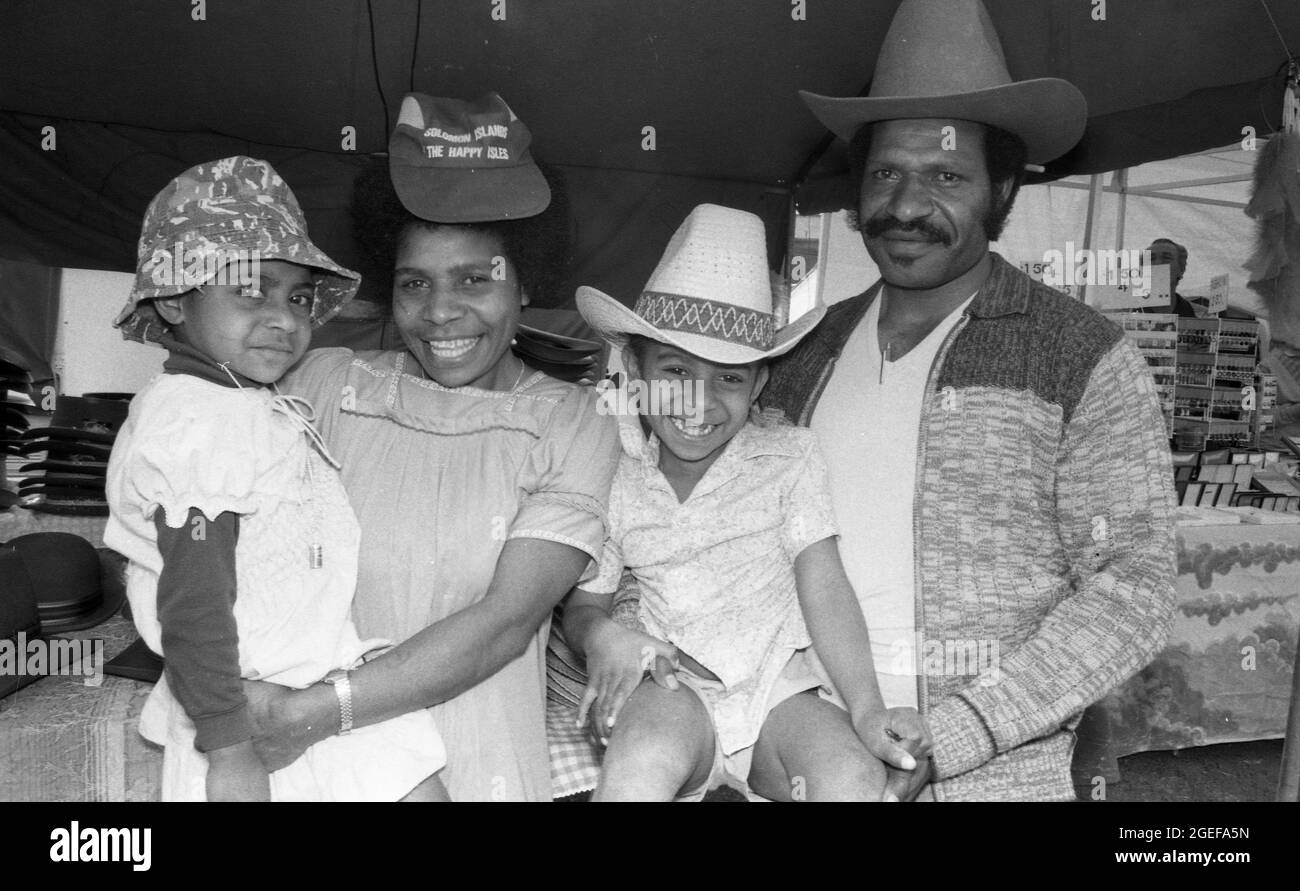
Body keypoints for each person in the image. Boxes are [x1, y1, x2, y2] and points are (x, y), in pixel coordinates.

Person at [763, 0, 1178, 801]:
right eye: (887, 172)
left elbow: (1134, 590)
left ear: (1004, 190)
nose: (908, 205)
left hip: (994, 776)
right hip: (802, 757)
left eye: (947, 176)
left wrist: (955, 736)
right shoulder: (801, 355)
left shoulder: (1077, 354)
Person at [245, 94, 620, 801]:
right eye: (414, 283)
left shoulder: (571, 422)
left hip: (474, 760)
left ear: (527, 280)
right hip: (312, 766)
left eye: (475, 279)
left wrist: (314, 711)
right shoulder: (325, 384)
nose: (440, 312)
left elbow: (505, 624)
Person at [105, 156, 447, 801]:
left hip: (309, 679)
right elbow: (195, 600)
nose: (284, 317)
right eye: (249, 290)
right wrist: (230, 752)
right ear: (176, 301)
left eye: (296, 296)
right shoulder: (195, 423)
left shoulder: (241, 401)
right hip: (247, 710)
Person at [561, 204, 929, 801]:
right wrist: (601, 637)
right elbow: (585, 606)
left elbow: (825, 587)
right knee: (640, 764)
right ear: (634, 368)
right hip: (671, 683)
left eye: (730, 377)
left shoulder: (789, 456)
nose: (699, 404)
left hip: (779, 686)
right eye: (676, 370)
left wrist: (866, 708)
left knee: (852, 776)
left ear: (759, 382)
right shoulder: (612, 468)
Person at [1144, 238, 1198, 317]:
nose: (1158, 264)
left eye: (1166, 258)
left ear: (1181, 269)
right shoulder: (1121, 315)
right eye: (1151, 259)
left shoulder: (1202, 317)